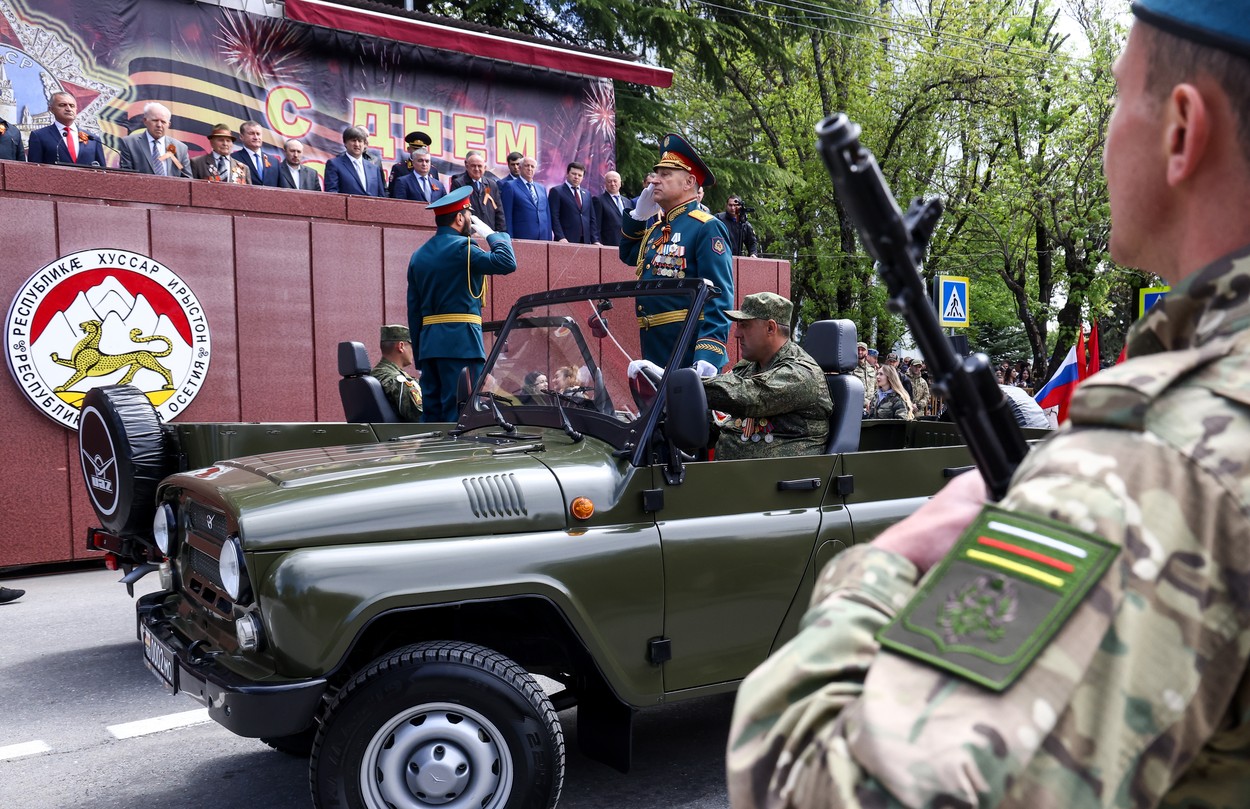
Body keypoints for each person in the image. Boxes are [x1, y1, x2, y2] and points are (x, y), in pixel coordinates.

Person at [727, 3, 1250, 806]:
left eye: (1116, 98)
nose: (1110, 136)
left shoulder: (1162, 461)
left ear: (1182, 129)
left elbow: (816, 785)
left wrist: (890, 559)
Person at [620, 133, 735, 376]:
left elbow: (719, 295)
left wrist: (709, 354)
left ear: (688, 182)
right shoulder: (655, 229)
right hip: (654, 344)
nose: (654, 181)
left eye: (665, 175)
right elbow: (629, 255)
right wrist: (638, 217)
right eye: (655, 174)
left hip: (687, 346)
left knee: (687, 413)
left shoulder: (705, 226)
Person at [406, 186, 517, 422]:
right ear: (459, 218)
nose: (470, 220)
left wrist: (420, 355)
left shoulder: (418, 255)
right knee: (462, 415)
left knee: (432, 418)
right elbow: (507, 262)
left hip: (429, 348)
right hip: (462, 344)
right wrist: (492, 235)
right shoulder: (464, 249)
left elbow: (414, 312)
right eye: (469, 215)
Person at [700, 292, 832, 460]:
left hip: (781, 481)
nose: (736, 334)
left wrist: (689, 385)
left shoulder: (801, 373)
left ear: (770, 328)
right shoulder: (748, 368)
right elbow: (719, 419)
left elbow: (750, 396)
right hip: (735, 476)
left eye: (744, 325)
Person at [27, 92, 104, 166]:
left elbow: (103, 172)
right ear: (51, 109)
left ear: (76, 109)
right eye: (62, 105)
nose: (68, 109)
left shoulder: (93, 139)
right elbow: (34, 170)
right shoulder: (39, 136)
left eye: (72, 106)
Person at [118, 102, 191, 177]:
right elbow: (126, 178)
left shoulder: (180, 148)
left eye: (163, 122)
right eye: (155, 120)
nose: (159, 125)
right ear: (145, 121)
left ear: (168, 125)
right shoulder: (129, 144)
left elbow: (187, 179)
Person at [370, 325, 423, 422]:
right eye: (412, 346)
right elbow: (420, 416)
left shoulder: (375, 374)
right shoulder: (396, 380)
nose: (414, 351)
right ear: (401, 346)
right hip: (407, 435)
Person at [449, 150, 506, 231]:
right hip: (469, 235)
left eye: (479, 166)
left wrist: (500, 233)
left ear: (485, 168)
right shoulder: (459, 184)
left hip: (490, 234)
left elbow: (499, 212)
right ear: (467, 166)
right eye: (473, 166)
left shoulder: (492, 184)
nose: (476, 169)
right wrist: (471, 232)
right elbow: (456, 212)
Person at [325, 126, 385, 196]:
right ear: (345, 143)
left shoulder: (374, 168)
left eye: (360, 141)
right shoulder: (334, 164)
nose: (357, 144)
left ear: (364, 144)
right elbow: (332, 194)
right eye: (353, 140)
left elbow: (381, 196)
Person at [500, 156, 550, 240]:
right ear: (520, 167)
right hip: (521, 237)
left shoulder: (541, 188)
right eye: (527, 166)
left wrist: (548, 238)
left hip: (543, 238)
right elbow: (507, 214)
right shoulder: (510, 186)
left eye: (532, 166)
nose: (529, 169)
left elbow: (547, 215)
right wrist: (509, 238)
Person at [549, 161, 597, 244]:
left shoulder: (587, 194)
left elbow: (592, 219)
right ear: (567, 174)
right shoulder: (556, 191)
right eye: (574, 174)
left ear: (583, 177)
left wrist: (595, 240)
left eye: (579, 175)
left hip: (585, 241)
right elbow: (554, 217)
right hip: (565, 240)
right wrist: (560, 237)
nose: (576, 177)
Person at [388, 131, 439, 195]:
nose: (419, 152)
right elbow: (393, 193)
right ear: (408, 149)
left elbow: (437, 193)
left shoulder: (433, 170)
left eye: (421, 149)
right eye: (415, 149)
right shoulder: (399, 168)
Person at [592, 170, 631, 246]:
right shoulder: (598, 200)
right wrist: (596, 241)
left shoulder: (628, 202)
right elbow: (596, 224)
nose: (613, 184)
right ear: (605, 184)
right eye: (609, 181)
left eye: (615, 181)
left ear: (620, 183)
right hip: (608, 244)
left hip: (626, 245)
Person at [232, 121, 272, 185]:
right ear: (241, 137)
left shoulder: (274, 161)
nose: (256, 137)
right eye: (251, 133)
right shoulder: (233, 159)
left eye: (258, 134)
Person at [852, 341, 877, 414]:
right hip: (857, 405)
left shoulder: (871, 369)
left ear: (866, 352)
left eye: (862, 350)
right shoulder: (850, 367)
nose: (860, 352)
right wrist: (866, 402)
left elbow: (876, 387)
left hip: (872, 406)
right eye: (858, 349)